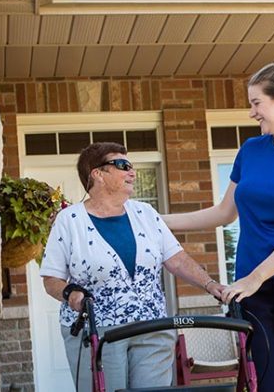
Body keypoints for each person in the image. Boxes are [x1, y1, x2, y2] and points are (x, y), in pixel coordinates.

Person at [163, 62, 274, 391]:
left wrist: (256, 276)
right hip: (253, 289)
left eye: (256, 103)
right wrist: (157, 220)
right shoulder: (251, 150)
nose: (251, 113)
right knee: (267, 381)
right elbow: (223, 212)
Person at [40, 142, 226, 392]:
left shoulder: (146, 213)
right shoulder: (70, 220)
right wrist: (71, 294)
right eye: (122, 165)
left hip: (152, 325)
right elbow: (51, 278)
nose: (132, 172)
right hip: (98, 330)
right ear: (98, 173)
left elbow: (177, 259)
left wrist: (211, 285)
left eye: (131, 166)